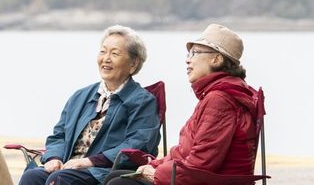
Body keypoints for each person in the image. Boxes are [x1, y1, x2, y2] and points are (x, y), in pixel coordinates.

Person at [105, 24, 257, 185]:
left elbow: (201, 164)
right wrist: (154, 165)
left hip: (211, 181)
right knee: (116, 176)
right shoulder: (216, 94)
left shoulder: (219, 99)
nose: (188, 59)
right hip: (200, 177)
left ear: (216, 59)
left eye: (195, 53)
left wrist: (156, 173)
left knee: (118, 183)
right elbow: (184, 151)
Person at [18, 25, 161, 185]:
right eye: (103, 51)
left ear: (133, 64)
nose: (106, 59)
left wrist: (89, 161)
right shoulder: (80, 96)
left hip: (105, 171)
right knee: (32, 177)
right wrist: (54, 157)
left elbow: (138, 144)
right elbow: (59, 135)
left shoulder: (143, 101)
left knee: (59, 179)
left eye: (114, 53)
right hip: (68, 167)